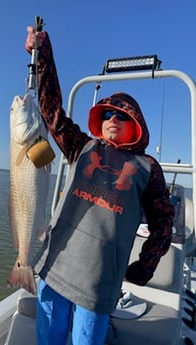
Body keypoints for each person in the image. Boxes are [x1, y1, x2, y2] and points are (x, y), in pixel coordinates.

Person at [25, 26, 175, 345]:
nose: (111, 119)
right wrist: (43, 56)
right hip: (56, 264)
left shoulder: (148, 168)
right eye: (106, 113)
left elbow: (163, 222)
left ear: (135, 123)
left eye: (120, 115)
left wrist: (144, 267)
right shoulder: (82, 147)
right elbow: (51, 113)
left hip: (99, 280)